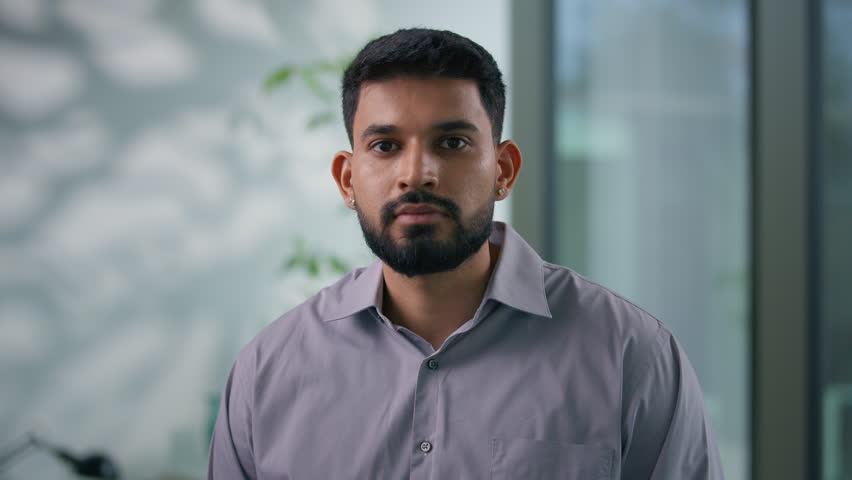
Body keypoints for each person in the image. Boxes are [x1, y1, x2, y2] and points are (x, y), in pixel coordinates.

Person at [208, 28, 724, 479]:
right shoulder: (268, 370)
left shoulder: (633, 356)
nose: (417, 173)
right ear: (347, 179)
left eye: (452, 142)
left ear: (503, 170)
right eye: (385, 146)